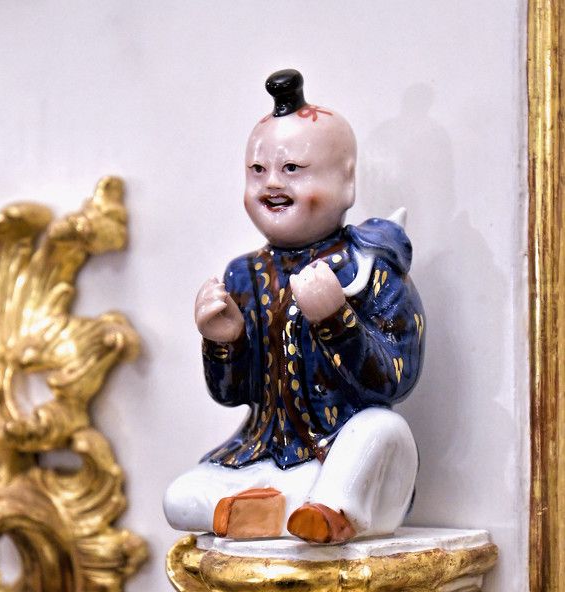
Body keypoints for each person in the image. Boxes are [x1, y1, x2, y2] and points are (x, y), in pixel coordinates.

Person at [164, 69, 425, 544]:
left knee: (383, 428)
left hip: (345, 460)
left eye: (291, 169)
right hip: (266, 461)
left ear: (346, 181)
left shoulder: (371, 267)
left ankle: (328, 512)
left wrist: (337, 320)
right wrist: (223, 343)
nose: (271, 184)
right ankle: (271, 512)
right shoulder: (243, 275)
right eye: (257, 171)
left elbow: (396, 379)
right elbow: (231, 394)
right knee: (179, 497)